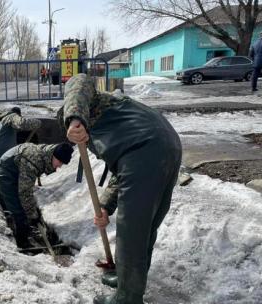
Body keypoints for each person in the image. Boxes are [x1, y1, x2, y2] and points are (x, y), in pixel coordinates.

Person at [62, 74, 182, 304]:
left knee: (131, 232)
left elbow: (79, 80)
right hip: (166, 145)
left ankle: (128, 297)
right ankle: (128, 280)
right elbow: (122, 171)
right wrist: (106, 206)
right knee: (144, 227)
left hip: (146, 149)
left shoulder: (90, 105)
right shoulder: (117, 117)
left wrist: (73, 117)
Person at [0, 142, 73, 249]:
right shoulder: (34, 159)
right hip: (5, 173)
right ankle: (23, 242)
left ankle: (5, 205)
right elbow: (25, 191)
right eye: (59, 161)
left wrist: (33, 213)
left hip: (13, 171)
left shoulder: (44, 155)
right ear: (53, 155)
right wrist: (33, 215)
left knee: (21, 204)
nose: (59, 166)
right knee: (19, 210)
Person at [0, 107, 41, 173]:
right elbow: (22, 124)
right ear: (18, 115)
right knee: (10, 173)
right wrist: (37, 122)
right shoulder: (12, 116)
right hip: (1, 150)